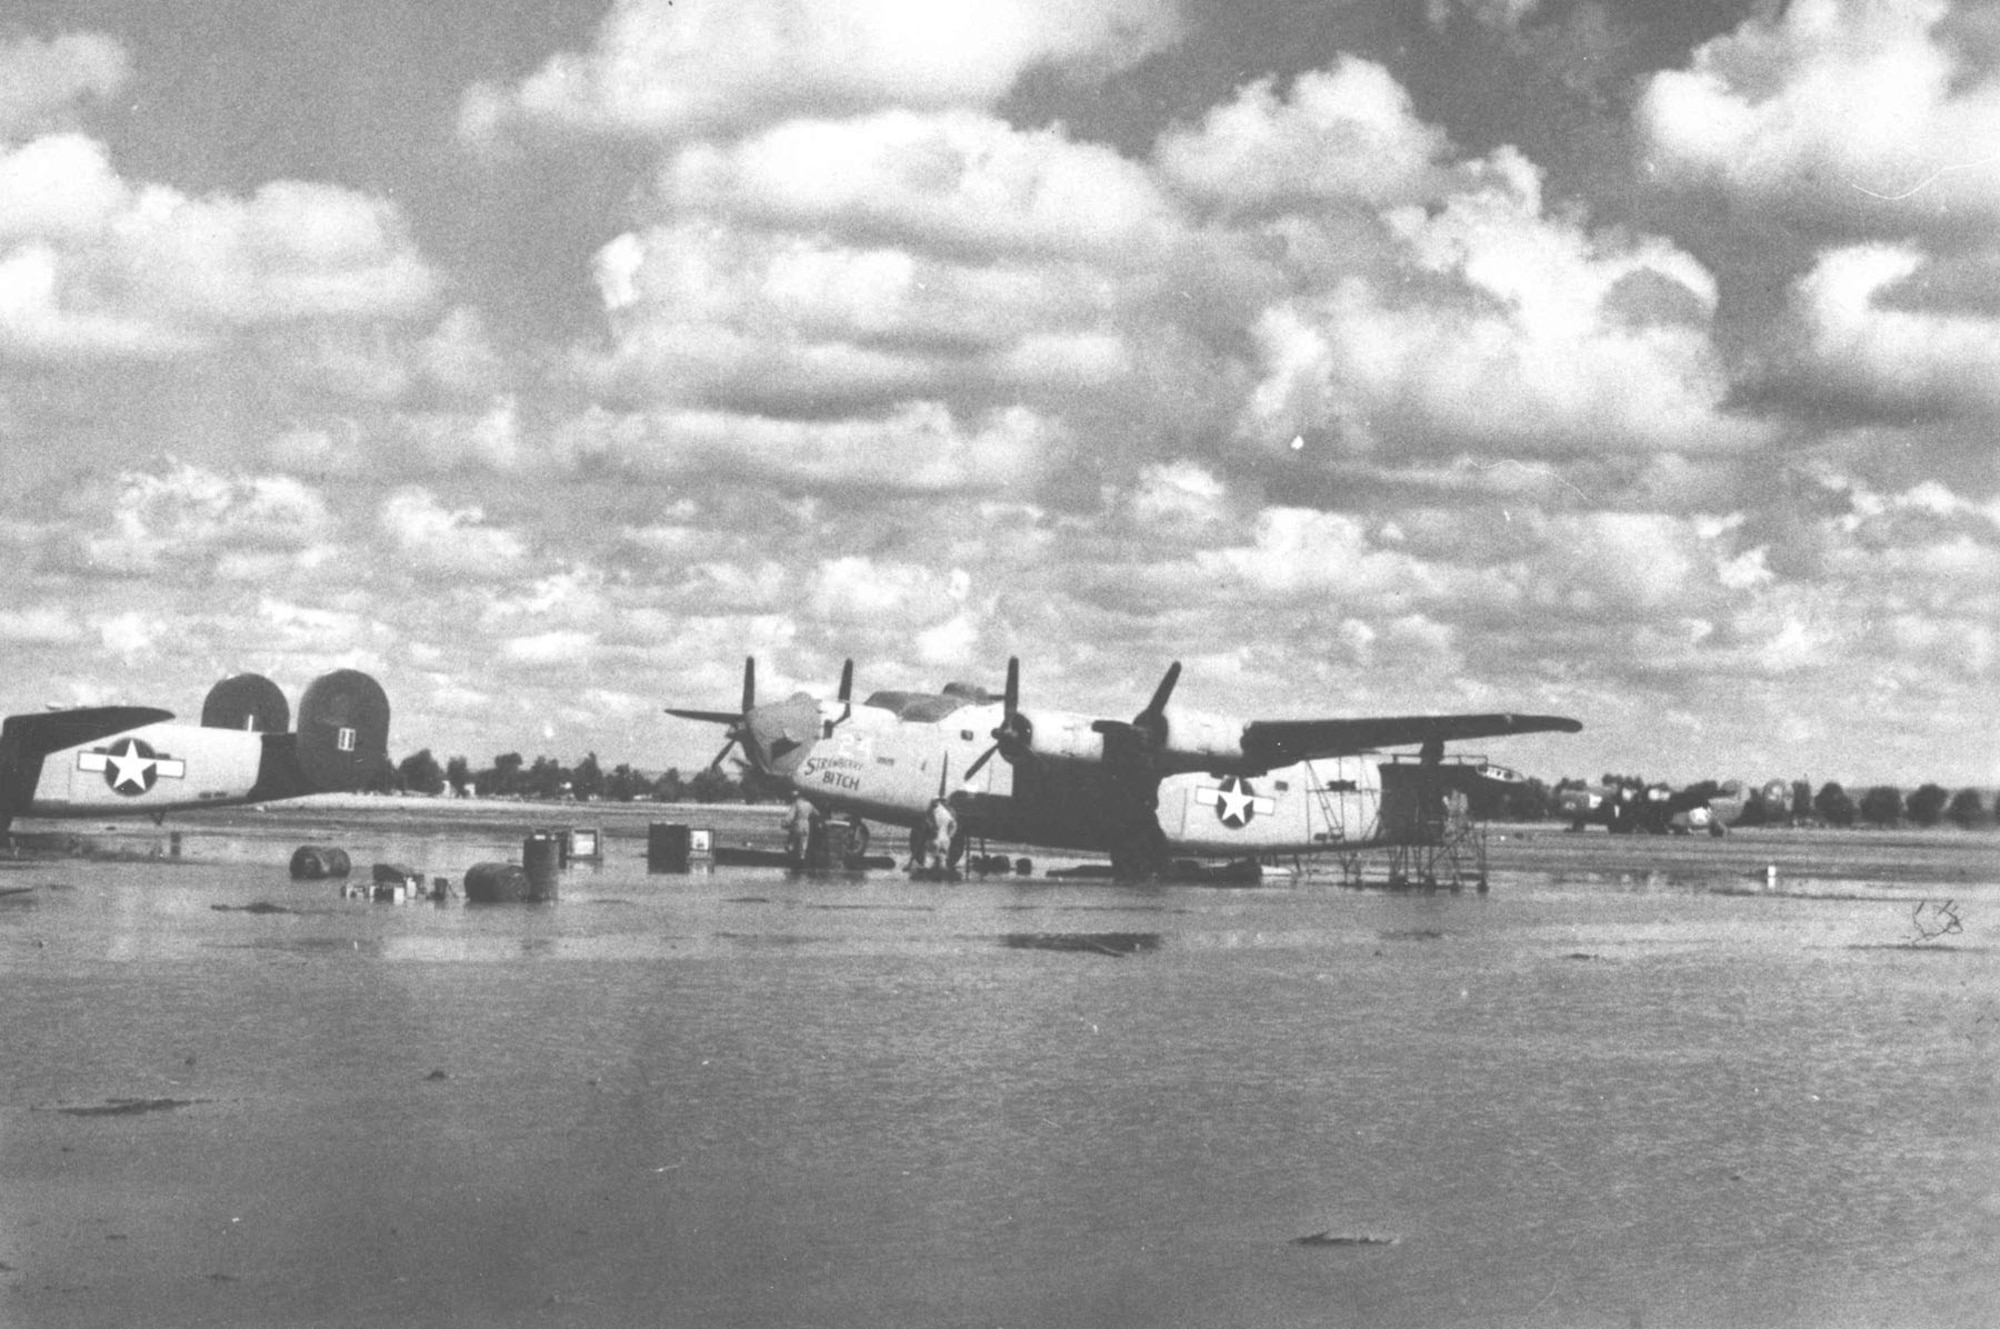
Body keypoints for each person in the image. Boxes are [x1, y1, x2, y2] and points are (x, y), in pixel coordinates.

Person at [782, 795, 817, 866]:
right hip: (806, 825)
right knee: (804, 842)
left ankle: (791, 856)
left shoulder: (796, 804)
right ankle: (802, 858)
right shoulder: (809, 804)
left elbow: (790, 816)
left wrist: (785, 823)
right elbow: (816, 813)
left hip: (797, 824)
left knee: (792, 840)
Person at [926, 797, 958, 872]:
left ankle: (929, 867)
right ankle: (941, 868)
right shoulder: (951, 811)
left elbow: (929, 822)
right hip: (944, 835)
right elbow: (953, 824)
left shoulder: (933, 810)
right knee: (942, 852)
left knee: (932, 852)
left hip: (938, 834)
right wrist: (951, 835)